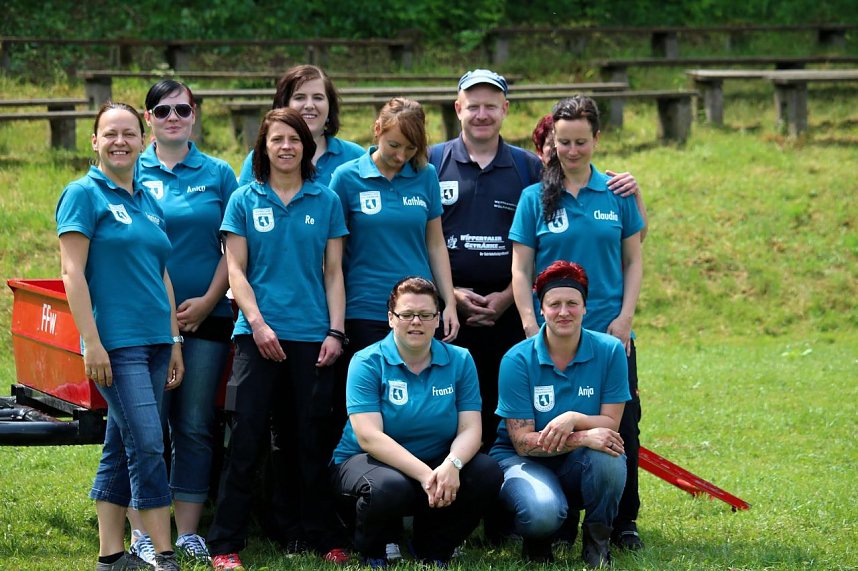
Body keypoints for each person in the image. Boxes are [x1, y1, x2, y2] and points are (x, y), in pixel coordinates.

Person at [429, 70, 640, 459]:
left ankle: (595, 512)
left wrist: (511, 301)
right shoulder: (432, 162)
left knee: (521, 412)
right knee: (452, 406)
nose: (481, 114)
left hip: (514, 314)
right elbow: (418, 235)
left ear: (505, 110)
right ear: (457, 108)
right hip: (450, 314)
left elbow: (621, 237)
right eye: (472, 106)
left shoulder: (528, 167)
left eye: (490, 106)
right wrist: (448, 294)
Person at [206, 108, 350, 571]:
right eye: (277, 139)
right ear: (263, 148)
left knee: (308, 441)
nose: (286, 146)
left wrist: (335, 331)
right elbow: (236, 272)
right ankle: (225, 543)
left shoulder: (326, 200)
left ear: (306, 147)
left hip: (312, 337)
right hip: (256, 335)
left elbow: (333, 274)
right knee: (245, 439)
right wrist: (259, 324)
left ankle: (314, 533)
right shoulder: (244, 200)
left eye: (294, 139)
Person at [511, 95, 646, 551]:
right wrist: (532, 327)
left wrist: (625, 319)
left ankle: (620, 522)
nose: (572, 150)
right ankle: (557, 520)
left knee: (621, 427)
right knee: (551, 424)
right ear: (551, 141)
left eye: (581, 142)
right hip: (552, 332)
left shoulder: (617, 192)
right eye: (563, 142)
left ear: (596, 140)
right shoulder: (534, 198)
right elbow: (521, 270)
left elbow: (634, 259)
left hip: (609, 334)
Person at [56, 102, 184, 571]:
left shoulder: (148, 200)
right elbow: (72, 272)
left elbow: (162, 275)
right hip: (116, 343)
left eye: (129, 133)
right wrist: (91, 342)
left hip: (154, 342)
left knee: (122, 443)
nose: (119, 141)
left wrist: (174, 340)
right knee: (149, 443)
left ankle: (111, 559)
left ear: (142, 140)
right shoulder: (82, 194)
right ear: (94, 141)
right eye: (109, 133)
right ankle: (163, 554)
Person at [122, 80, 237, 565]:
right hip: (144, 322)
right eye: (162, 109)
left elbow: (236, 245)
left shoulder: (218, 173)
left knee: (193, 425)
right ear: (148, 117)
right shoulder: (127, 167)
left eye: (182, 109)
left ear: (195, 115)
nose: (173, 116)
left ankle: (188, 532)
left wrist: (211, 300)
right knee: (145, 429)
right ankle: (145, 531)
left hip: (208, 320)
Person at [332, 276, 503, 568]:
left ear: (438, 319)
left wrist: (453, 465)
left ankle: (434, 546)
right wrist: (427, 475)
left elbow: (472, 429)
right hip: (368, 461)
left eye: (426, 315)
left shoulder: (460, 360)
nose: (416, 322)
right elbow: (369, 436)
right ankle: (373, 547)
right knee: (389, 486)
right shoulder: (367, 361)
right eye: (407, 314)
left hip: (436, 460)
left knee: (487, 472)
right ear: (390, 318)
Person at [492, 261, 630, 567]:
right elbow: (522, 443)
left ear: (585, 308)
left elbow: (610, 424)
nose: (563, 312)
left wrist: (572, 417)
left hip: (575, 460)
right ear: (541, 309)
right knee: (541, 513)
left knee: (609, 452)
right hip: (522, 459)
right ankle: (538, 540)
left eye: (572, 303)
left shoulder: (610, 351)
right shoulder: (516, 359)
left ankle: (597, 544)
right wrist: (582, 435)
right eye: (554, 304)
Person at [237, 64, 364, 187]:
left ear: (330, 106)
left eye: (318, 98)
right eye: (299, 97)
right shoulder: (260, 158)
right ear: (284, 105)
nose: (309, 105)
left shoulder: (355, 157)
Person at [531, 112, 648, 239]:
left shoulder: (611, 190)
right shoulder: (531, 195)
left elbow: (638, 236)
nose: (568, 150)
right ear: (539, 151)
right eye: (554, 142)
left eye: (579, 142)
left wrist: (635, 195)